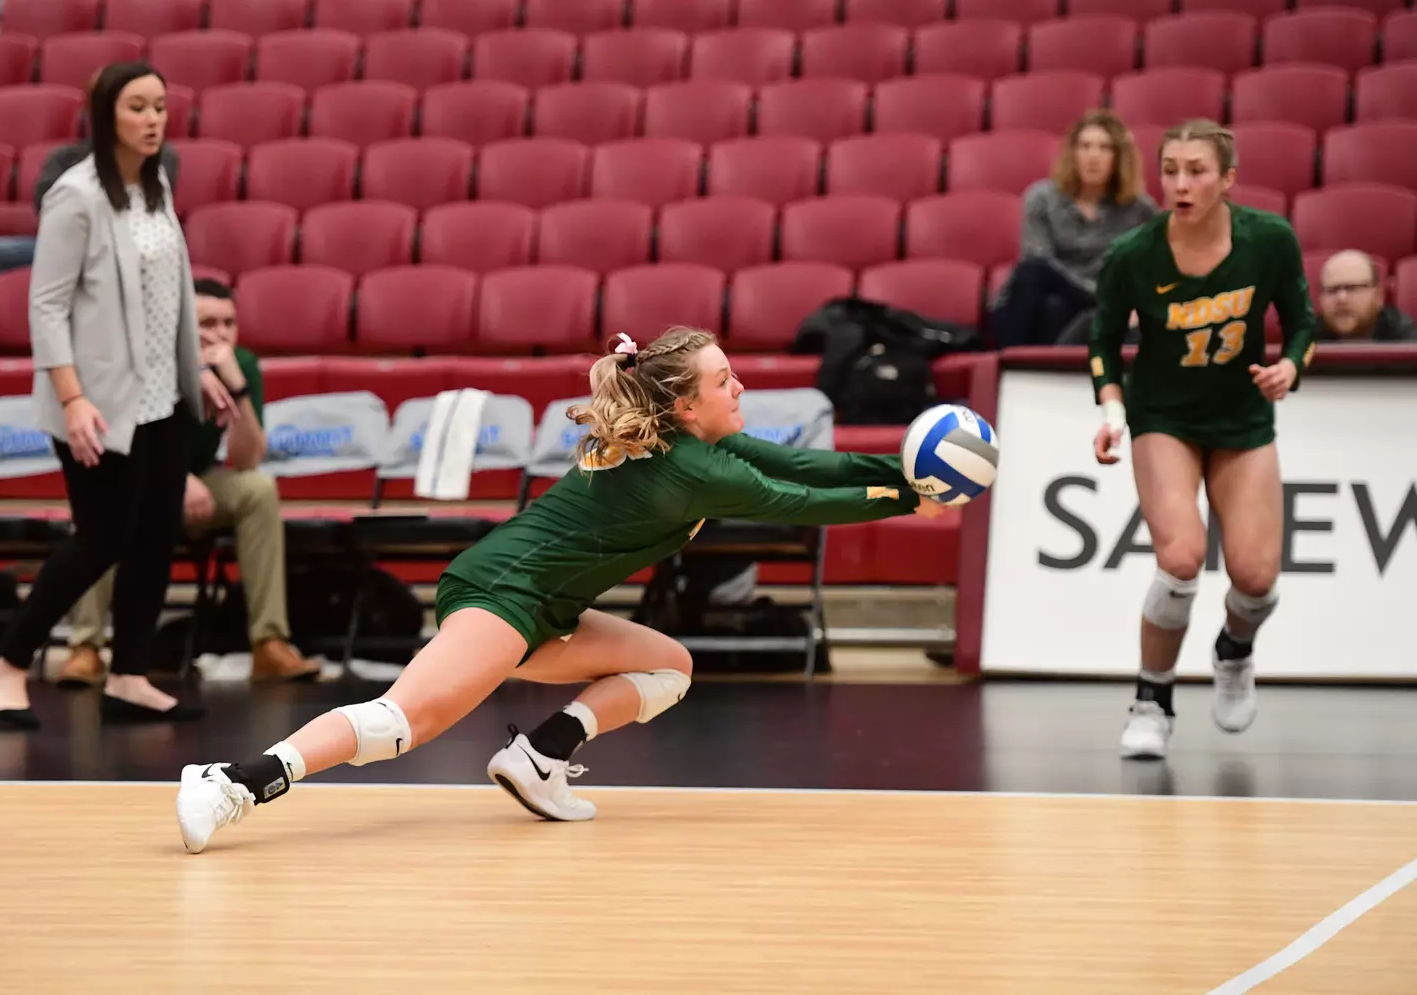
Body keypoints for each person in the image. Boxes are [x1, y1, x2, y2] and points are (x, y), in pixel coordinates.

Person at [172, 326, 955, 853]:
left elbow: (806, 465)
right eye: (727, 380)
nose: (741, 387)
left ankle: (541, 758)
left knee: (667, 668)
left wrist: (900, 471)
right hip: (504, 591)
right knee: (400, 724)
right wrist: (910, 497)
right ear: (686, 405)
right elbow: (803, 503)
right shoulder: (694, 466)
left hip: (545, 607)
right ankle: (234, 781)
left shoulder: (695, 439)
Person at [0, 62, 235, 729]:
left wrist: (196, 371)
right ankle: (8, 661)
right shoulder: (76, 195)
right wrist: (70, 399)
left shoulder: (156, 187)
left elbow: (170, 298)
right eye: (137, 107)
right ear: (105, 115)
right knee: (100, 540)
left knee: (154, 537)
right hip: (96, 405)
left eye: (159, 106)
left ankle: (129, 674)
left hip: (160, 399)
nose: (153, 119)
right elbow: (46, 306)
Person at [1088, 119, 1317, 761]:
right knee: (1182, 559)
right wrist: (1111, 408)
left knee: (1255, 576)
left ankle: (1234, 651)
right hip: (1163, 416)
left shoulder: (1269, 241)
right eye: (1170, 170)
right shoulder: (1133, 254)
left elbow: (1302, 323)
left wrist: (1291, 367)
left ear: (1228, 179)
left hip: (1242, 420)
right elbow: (1103, 342)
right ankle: (1151, 698)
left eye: (1197, 171)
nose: (1181, 184)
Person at [59, 277, 320, 686]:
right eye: (207, 322)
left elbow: (246, 459)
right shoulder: (144, 360)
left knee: (259, 489)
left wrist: (237, 388)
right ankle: (85, 648)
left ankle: (269, 643)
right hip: (135, 483)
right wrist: (174, 478)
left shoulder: (242, 363)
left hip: (196, 486)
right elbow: (119, 444)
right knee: (101, 507)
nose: (220, 334)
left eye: (228, 323)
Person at [991, 109, 1158, 348]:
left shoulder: (1140, 210)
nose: (1093, 156)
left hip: (1099, 311)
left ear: (1119, 157)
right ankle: (1009, 368)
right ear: (1073, 153)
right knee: (1038, 279)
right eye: (1085, 146)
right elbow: (1038, 261)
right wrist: (1091, 291)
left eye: (1104, 148)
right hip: (1044, 303)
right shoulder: (1042, 198)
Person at [1314, 249, 1417, 343]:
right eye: (1332, 290)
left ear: (1379, 296)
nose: (1341, 298)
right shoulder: (1306, 339)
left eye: (1352, 288)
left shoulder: (1405, 338)